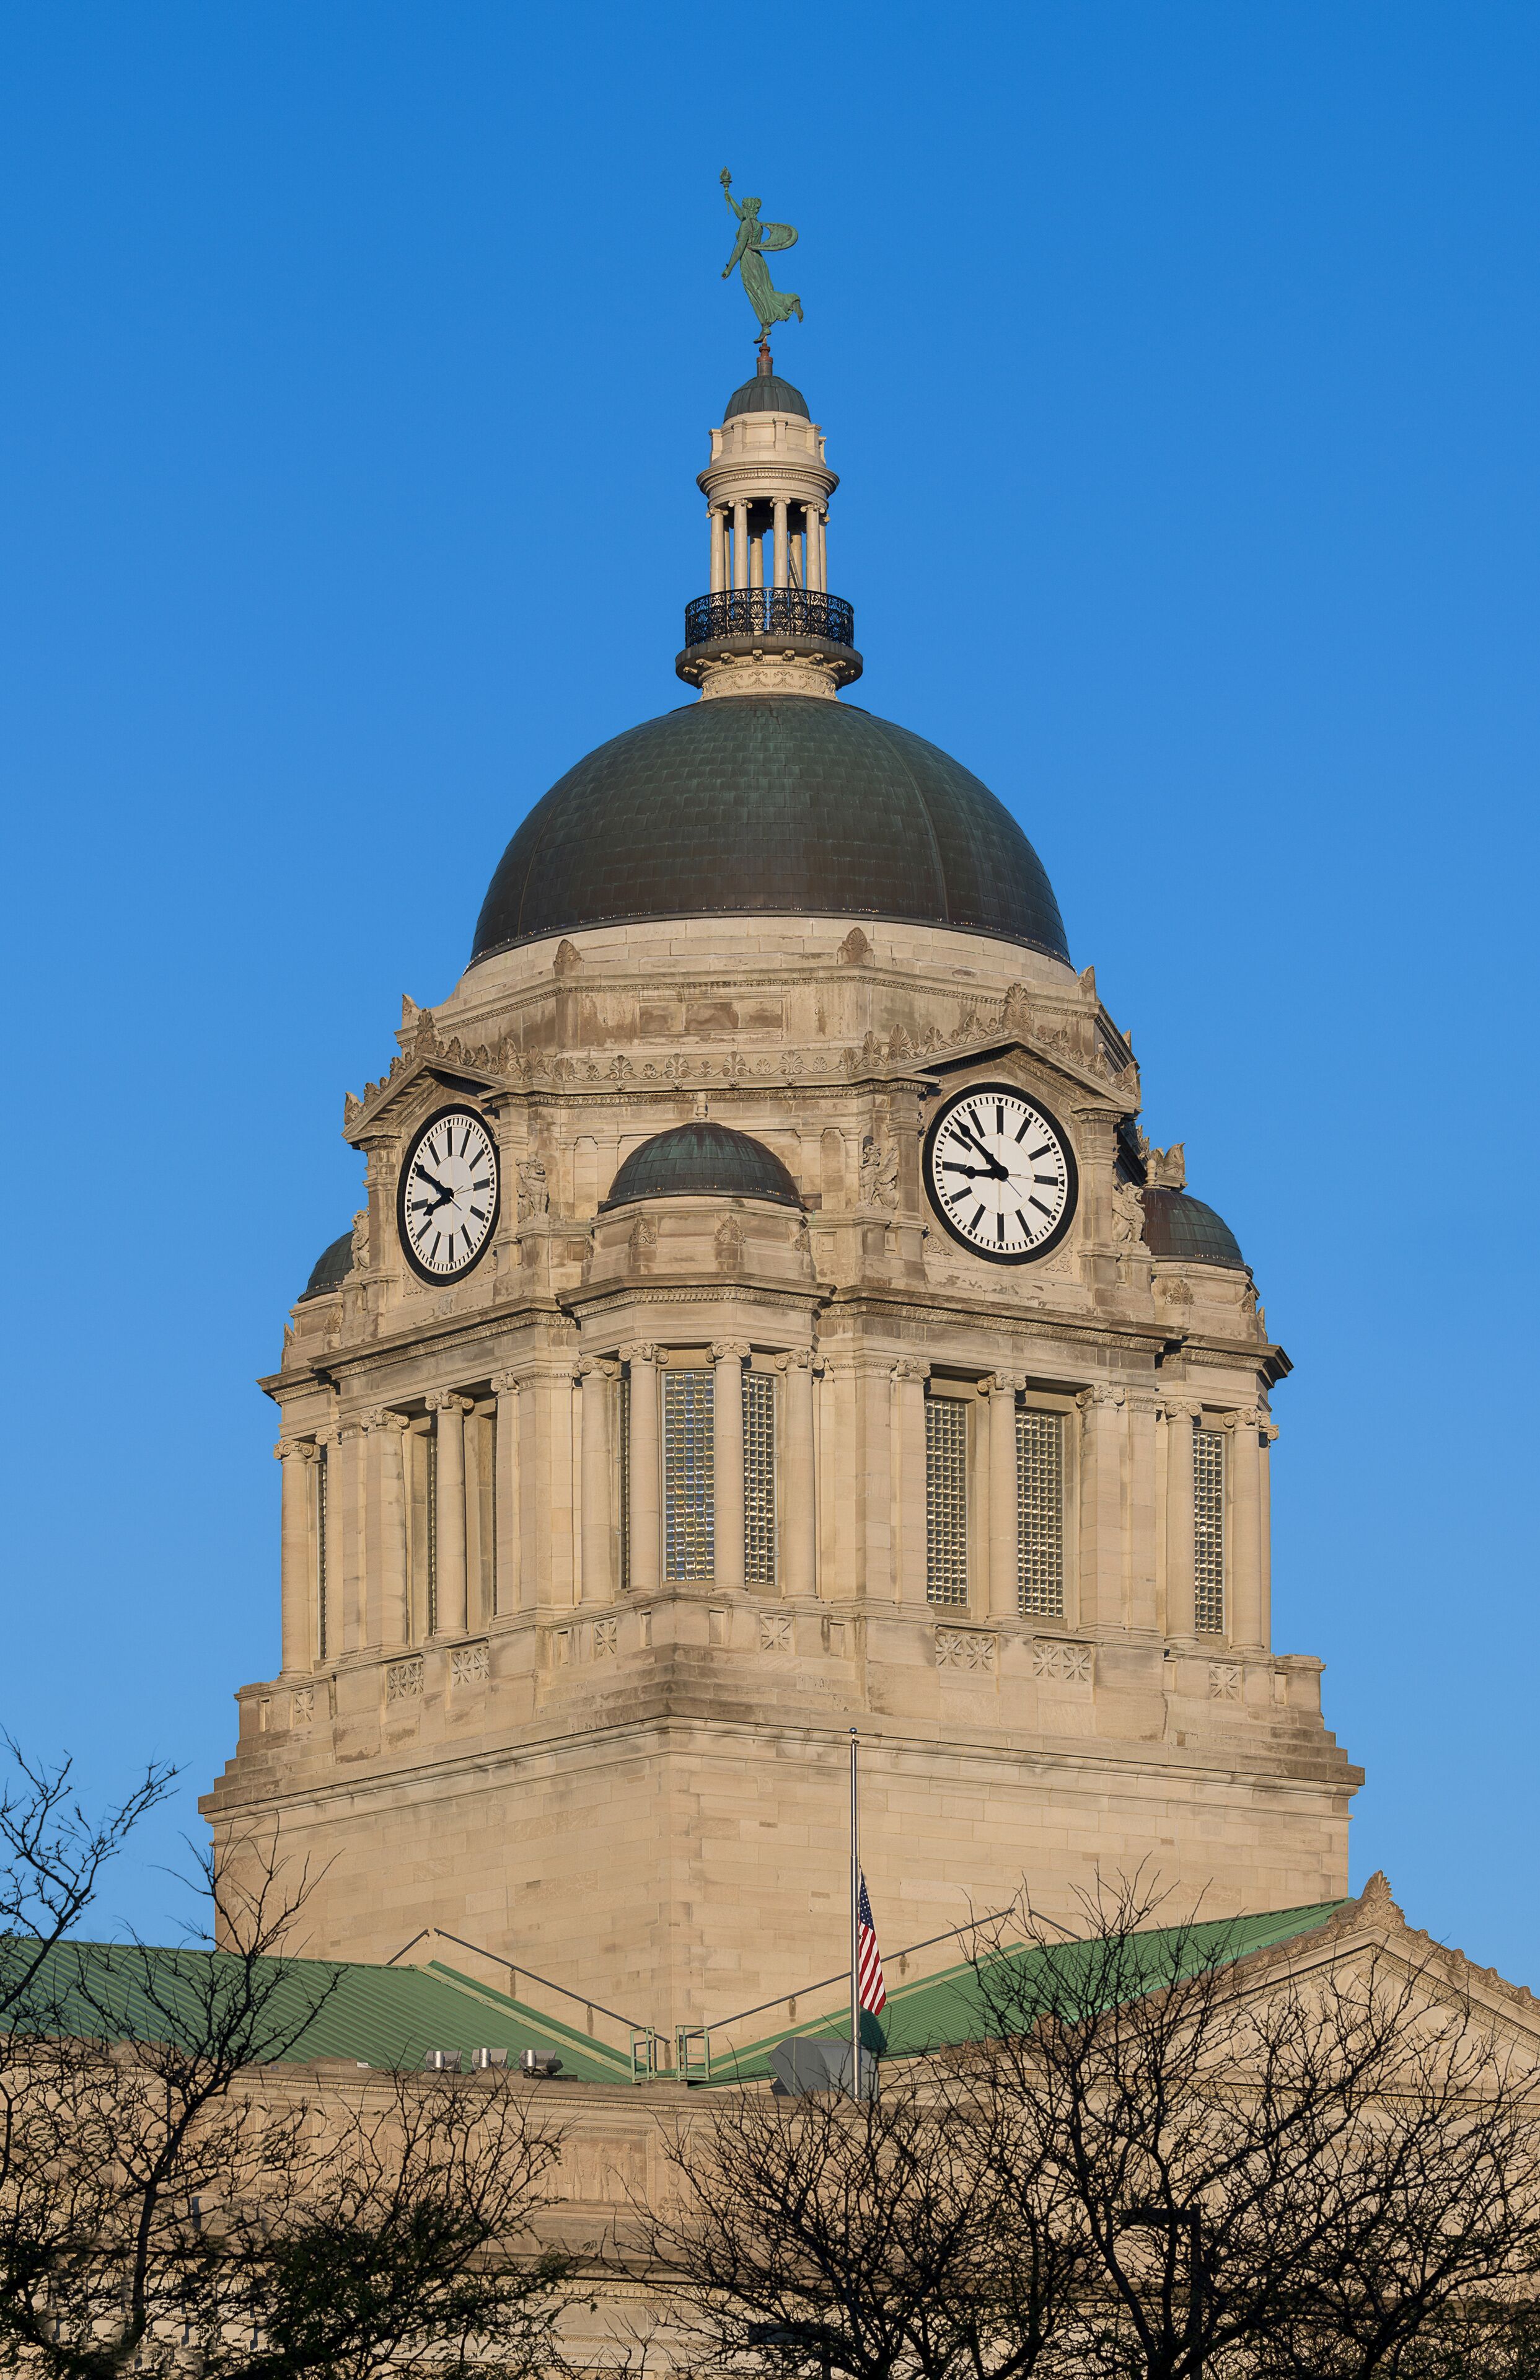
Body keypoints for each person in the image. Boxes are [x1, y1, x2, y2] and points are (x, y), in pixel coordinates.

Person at [721, 169, 803, 334]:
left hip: (749, 262)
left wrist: (729, 268)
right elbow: (741, 215)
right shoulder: (757, 225)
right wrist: (730, 198)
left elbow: (740, 248)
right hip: (759, 261)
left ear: (748, 209)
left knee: (756, 293)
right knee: (765, 291)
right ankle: (766, 324)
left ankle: (788, 303)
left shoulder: (746, 226)